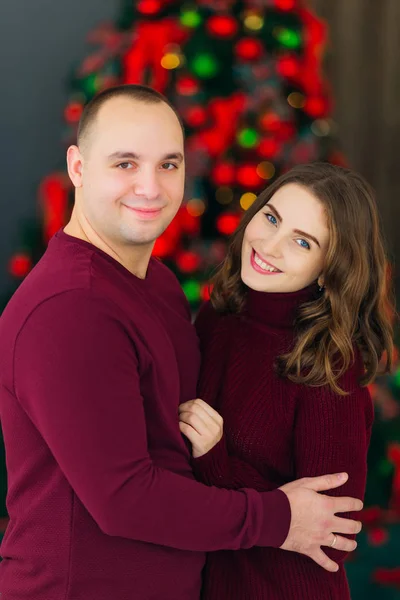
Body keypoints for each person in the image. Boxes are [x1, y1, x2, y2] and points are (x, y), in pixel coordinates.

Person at [0, 86, 363, 600]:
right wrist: (278, 517)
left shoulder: (161, 284)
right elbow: (125, 498)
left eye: (168, 165)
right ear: (78, 168)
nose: (150, 188)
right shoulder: (69, 309)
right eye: (125, 163)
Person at [179, 162, 394, 599]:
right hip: (201, 580)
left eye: (302, 241)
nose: (270, 246)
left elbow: (335, 537)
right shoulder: (219, 316)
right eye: (272, 218)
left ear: (328, 268)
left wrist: (215, 460)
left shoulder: (330, 365)